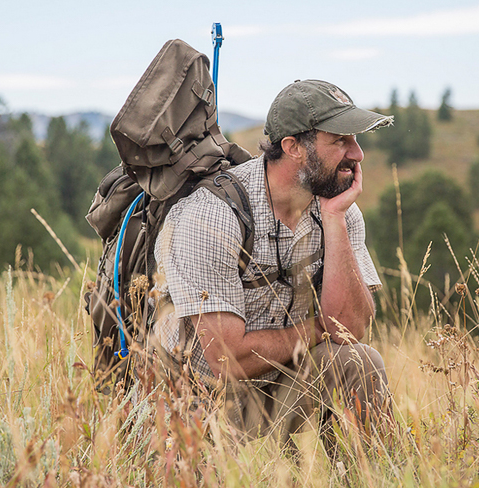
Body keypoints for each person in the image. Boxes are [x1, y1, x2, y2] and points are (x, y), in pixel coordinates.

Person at [152, 79, 393, 445]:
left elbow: (350, 327)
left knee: (361, 361)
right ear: (293, 146)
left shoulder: (339, 210)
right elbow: (225, 360)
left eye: (356, 140)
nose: (357, 154)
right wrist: (317, 329)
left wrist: (334, 220)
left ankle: (370, 478)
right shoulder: (210, 217)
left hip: (277, 385)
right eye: (341, 140)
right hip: (196, 401)